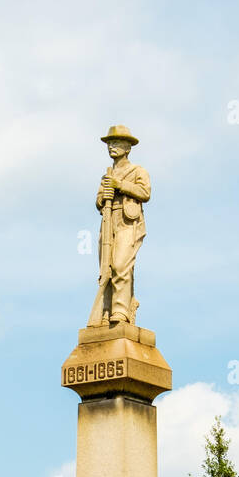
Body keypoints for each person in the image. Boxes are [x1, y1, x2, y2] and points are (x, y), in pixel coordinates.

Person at [88, 125, 151, 326]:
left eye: (116, 143)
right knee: (106, 268)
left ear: (128, 148)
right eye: (110, 143)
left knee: (120, 265)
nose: (112, 147)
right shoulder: (106, 175)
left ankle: (121, 311)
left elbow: (145, 193)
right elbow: (98, 200)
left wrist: (120, 185)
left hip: (127, 222)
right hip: (108, 221)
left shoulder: (137, 171)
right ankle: (106, 311)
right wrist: (103, 196)